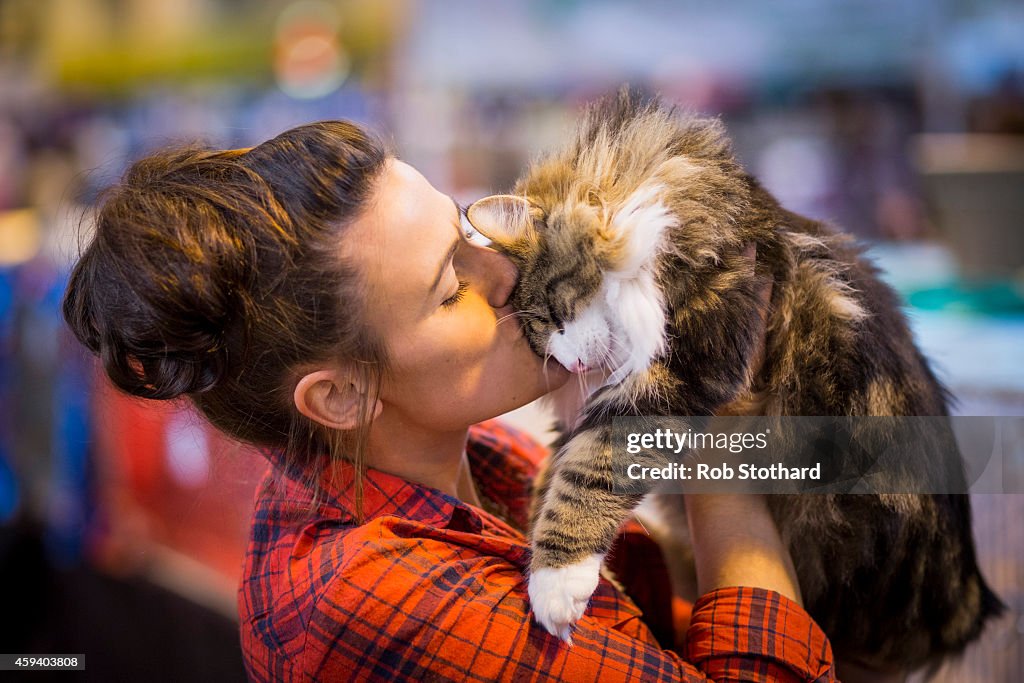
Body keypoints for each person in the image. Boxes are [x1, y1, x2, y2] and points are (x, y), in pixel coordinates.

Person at [62, 120, 837, 682]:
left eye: (467, 224)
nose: (507, 269)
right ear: (342, 393)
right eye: (451, 287)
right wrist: (713, 418)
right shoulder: (375, 599)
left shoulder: (460, 456)